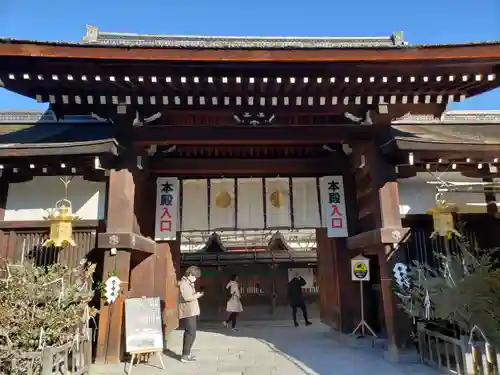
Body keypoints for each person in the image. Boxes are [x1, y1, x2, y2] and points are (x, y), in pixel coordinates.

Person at [178, 266, 204, 363]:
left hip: (192, 311)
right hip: (188, 311)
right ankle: (184, 355)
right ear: (189, 274)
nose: (195, 279)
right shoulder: (184, 283)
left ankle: (187, 354)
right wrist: (198, 295)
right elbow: (187, 297)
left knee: (192, 333)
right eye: (194, 277)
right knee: (190, 333)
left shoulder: (188, 283)